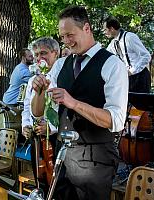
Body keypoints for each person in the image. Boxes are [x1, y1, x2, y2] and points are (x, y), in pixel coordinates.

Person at [31, 6, 128, 200]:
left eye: (70, 35)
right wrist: (39, 91)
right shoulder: (61, 65)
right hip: (63, 156)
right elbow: (37, 113)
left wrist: (73, 103)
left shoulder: (113, 65)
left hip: (95, 161)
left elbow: (115, 120)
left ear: (86, 28)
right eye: (62, 37)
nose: (66, 42)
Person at [21, 37, 59, 191]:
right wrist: (26, 125)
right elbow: (26, 108)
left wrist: (50, 127)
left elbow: (63, 111)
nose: (39, 58)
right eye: (36, 54)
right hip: (37, 139)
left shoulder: (61, 78)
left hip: (56, 139)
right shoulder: (32, 81)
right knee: (40, 180)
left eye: (43, 53)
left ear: (55, 53)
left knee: (56, 182)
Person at [103, 16, 151, 93]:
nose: (104, 32)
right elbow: (105, 57)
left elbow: (146, 56)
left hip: (140, 76)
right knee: (128, 103)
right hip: (127, 78)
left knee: (142, 103)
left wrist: (132, 71)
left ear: (111, 28)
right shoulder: (113, 44)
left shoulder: (130, 37)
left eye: (105, 29)